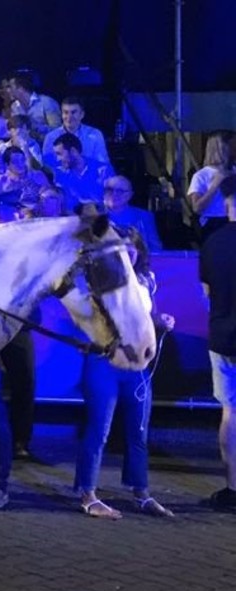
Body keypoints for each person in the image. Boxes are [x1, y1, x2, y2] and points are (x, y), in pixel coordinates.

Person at [75, 228, 174, 519]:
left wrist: (160, 321)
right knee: (98, 429)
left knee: (138, 430)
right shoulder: (100, 282)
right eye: (122, 248)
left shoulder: (145, 281)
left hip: (136, 366)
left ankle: (140, 492)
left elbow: (145, 317)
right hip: (104, 361)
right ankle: (87, 492)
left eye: (132, 248)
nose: (128, 253)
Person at [201, 175, 236, 511]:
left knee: (230, 412)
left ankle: (232, 489)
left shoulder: (212, 242)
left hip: (223, 336)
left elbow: (207, 294)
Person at [188, 134, 232, 243]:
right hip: (212, 222)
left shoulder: (234, 171)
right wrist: (214, 185)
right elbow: (196, 207)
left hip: (232, 220)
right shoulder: (201, 175)